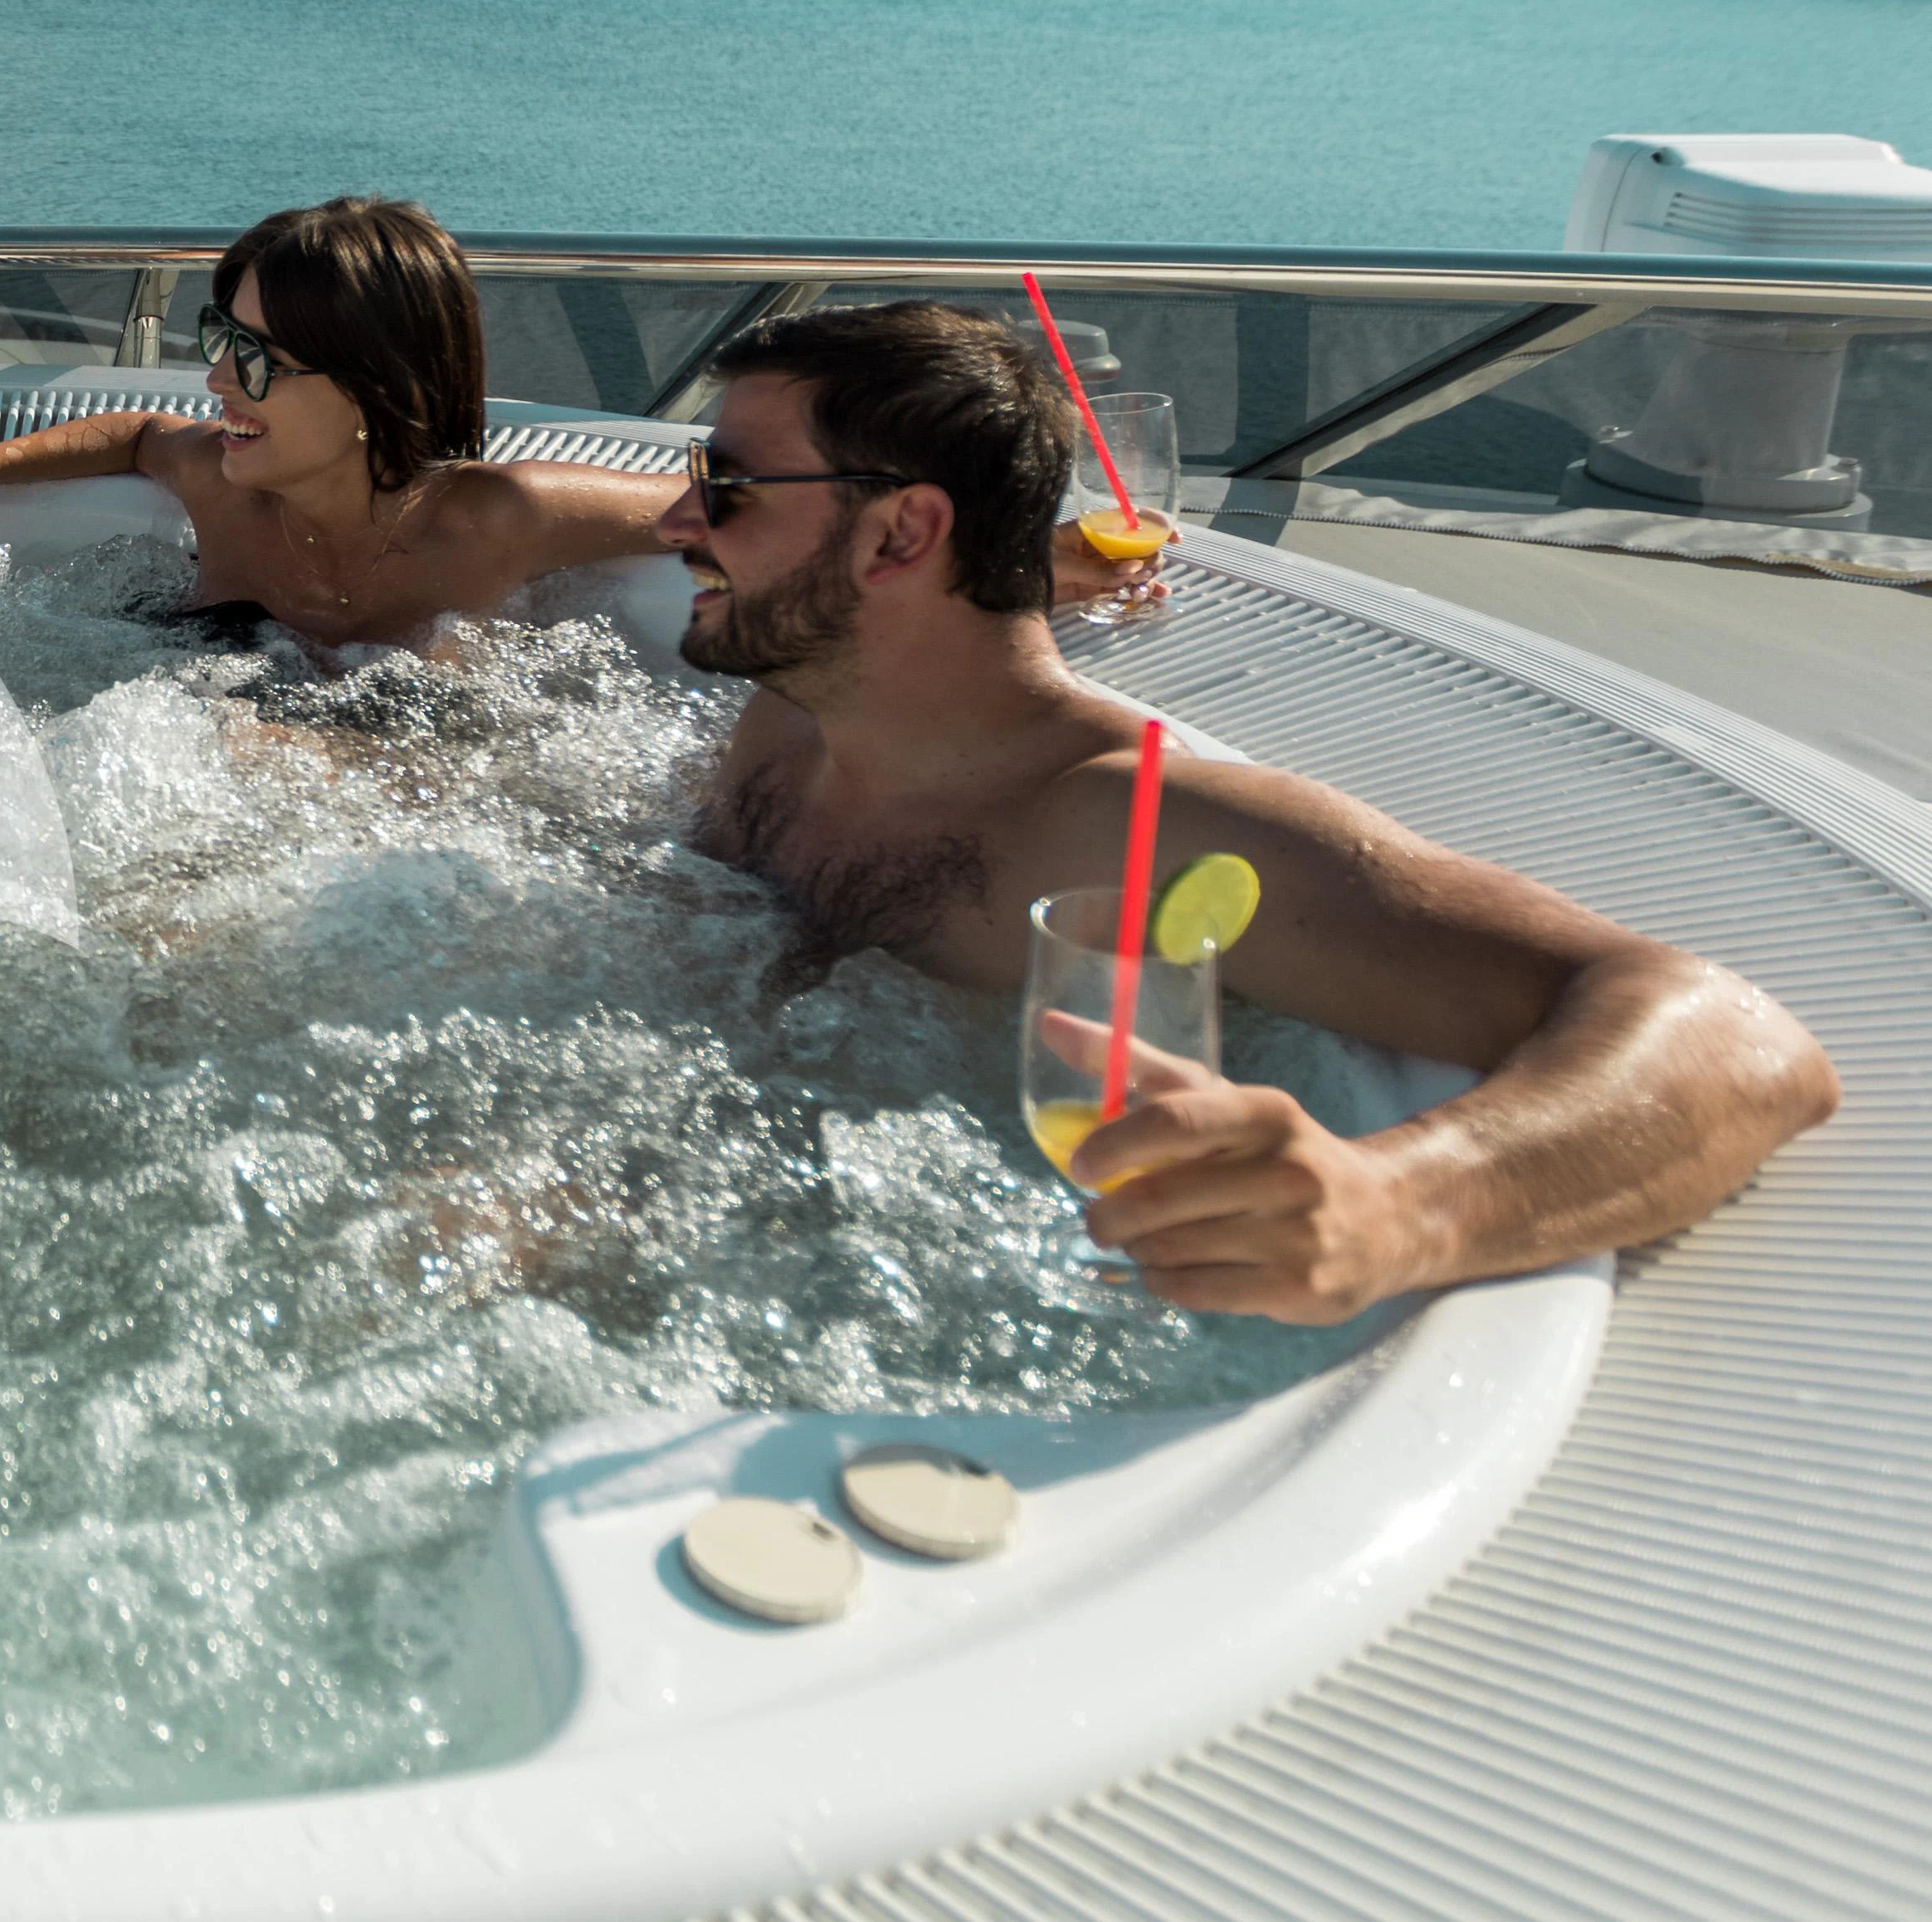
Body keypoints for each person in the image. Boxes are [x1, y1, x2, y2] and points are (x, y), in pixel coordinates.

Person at [659, 298, 1836, 1322]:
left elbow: (1743, 1044)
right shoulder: (791, 717)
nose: (674, 524)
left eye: (725, 486)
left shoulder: (1128, 824)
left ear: (904, 532)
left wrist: (1403, 1204)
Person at [0, 194, 672, 651]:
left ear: (373, 386)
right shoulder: (226, 491)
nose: (218, 378)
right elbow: (140, 433)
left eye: (258, 358)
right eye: (225, 339)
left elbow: (733, 497)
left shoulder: (500, 517)